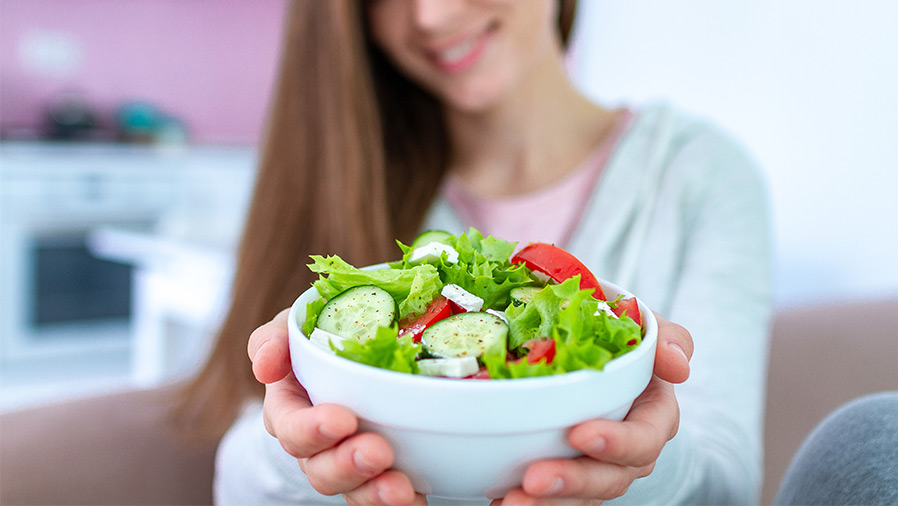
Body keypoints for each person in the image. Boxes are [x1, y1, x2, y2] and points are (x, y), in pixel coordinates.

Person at [176, 0, 773, 504]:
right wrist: (304, 449)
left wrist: (634, 463)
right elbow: (239, 482)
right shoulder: (338, 173)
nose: (432, 16)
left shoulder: (699, 175)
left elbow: (727, 487)